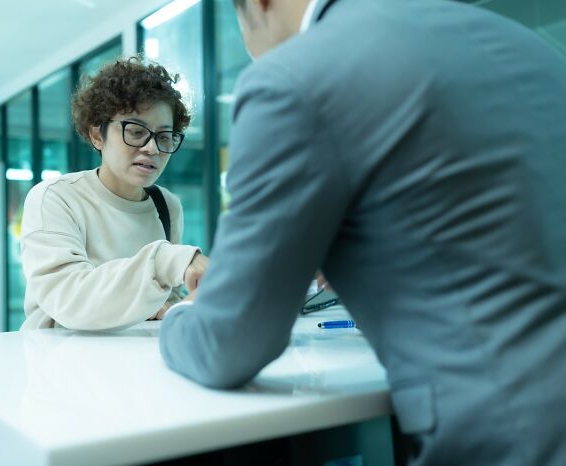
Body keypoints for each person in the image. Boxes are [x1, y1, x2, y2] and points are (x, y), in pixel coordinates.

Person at [159, 0, 566, 465]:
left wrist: (181, 317)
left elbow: (228, 344)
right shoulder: (520, 41)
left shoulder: (292, 77)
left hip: (514, 434)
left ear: (257, 4)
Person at [20, 56, 207, 331]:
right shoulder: (55, 198)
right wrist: (167, 260)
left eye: (164, 136)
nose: (152, 149)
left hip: (134, 363)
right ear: (98, 135)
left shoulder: (166, 206)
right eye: (135, 131)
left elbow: (164, 295)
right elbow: (70, 299)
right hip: (60, 364)